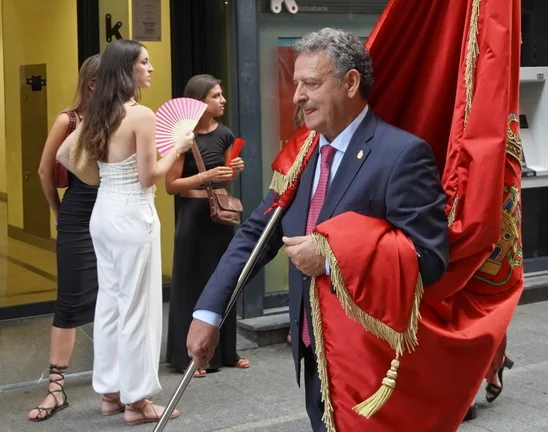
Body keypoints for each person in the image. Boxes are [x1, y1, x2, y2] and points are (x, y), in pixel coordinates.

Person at [187, 28, 450, 431]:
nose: (297, 96)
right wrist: (209, 311)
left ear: (350, 83)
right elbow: (256, 235)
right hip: (314, 359)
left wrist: (332, 256)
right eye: (296, 84)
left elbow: (429, 258)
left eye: (310, 83)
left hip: (370, 368)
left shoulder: (402, 154)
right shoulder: (300, 154)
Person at [66, 39, 193, 425]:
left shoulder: (98, 111)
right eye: (144, 62)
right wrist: (179, 147)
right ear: (127, 70)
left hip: (103, 211)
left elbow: (74, 156)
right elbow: (149, 175)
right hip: (133, 215)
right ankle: (137, 401)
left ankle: (111, 391)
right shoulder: (141, 115)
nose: (150, 68)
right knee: (139, 308)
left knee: (110, 303)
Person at [28, 55, 102, 422]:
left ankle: (115, 383)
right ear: (92, 84)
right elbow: (45, 169)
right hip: (78, 214)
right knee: (70, 300)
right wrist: (57, 211)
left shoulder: (121, 117)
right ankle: (56, 388)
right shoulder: (69, 120)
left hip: (113, 213)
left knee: (113, 299)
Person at [164, 75, 248, 377]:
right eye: (215, 95)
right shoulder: (183, 137)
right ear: (199, 101)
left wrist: (233, 170)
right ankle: (188, 358)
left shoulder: (225, 134)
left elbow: (225, 177)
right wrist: (205, 176)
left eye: (221, 94)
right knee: (191, 283)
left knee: (223, 281)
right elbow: (171, 185)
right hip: (193, 215)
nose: (222, 100)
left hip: (220, 216)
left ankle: (227, 353)